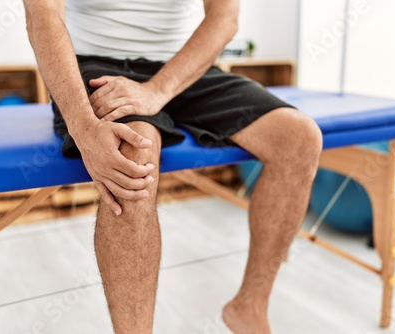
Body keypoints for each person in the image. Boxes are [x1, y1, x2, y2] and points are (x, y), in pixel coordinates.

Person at [22, 0, 322, 333]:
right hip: (97, 68)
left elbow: (224, 18)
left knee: (299, 137)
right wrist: (82, 125)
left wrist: (157, 90)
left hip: (186, 68)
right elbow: (42, 16)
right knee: (133, 158)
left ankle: (249, 308)